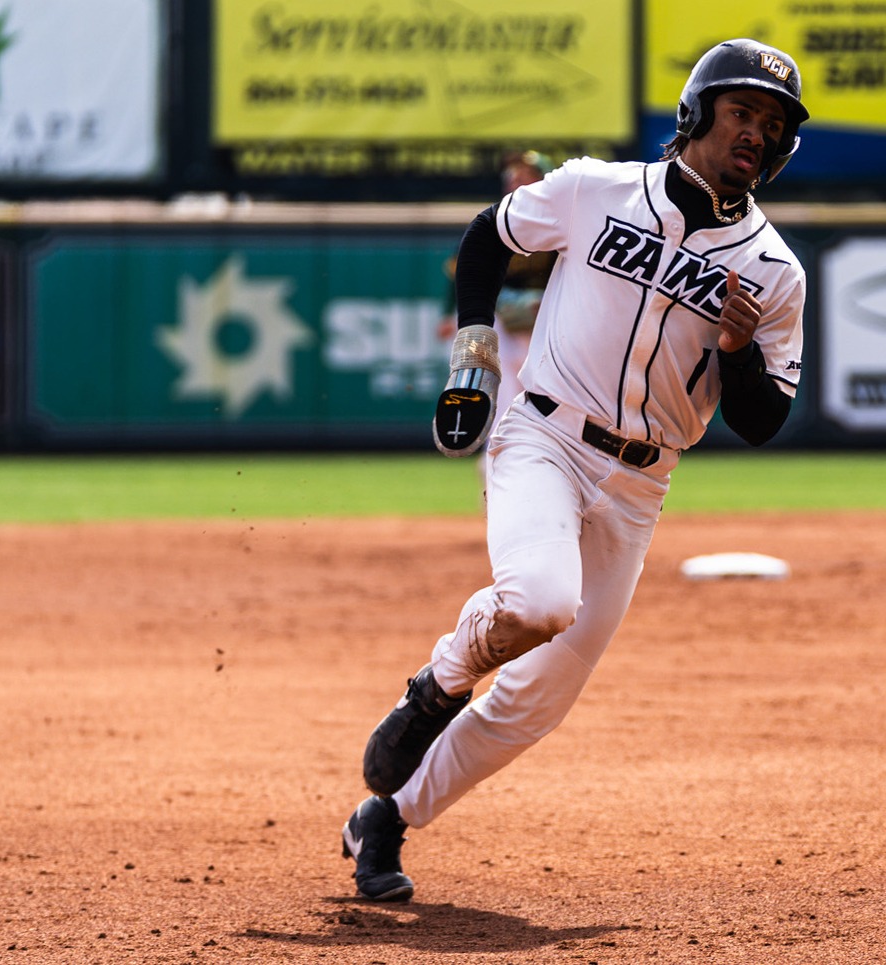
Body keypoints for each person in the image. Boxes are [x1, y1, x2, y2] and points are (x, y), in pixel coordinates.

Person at [339, 38, 811, 902]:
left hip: (642, 481)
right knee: (538, 600)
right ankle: (437, 684)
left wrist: (739, 353)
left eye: (770, 124)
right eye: (741, 112)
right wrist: (474, 349)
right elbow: (489, 235)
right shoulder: (598, 189)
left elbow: (762, 419)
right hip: (543, 439)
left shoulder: (774, 273)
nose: (754, 132)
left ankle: (389, 817)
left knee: (535, 701)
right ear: (698, 113)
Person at [435, 151, 558, 477]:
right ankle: (496, 478)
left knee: (551, 406)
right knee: (501, 403)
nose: (516, 179)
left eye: (525, 173)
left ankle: (547, 480)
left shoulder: (564, 221)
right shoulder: (497, 220)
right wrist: (453, 314)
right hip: (503, 322)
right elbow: (465, 268)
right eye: (513, 175)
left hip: (548, 325)